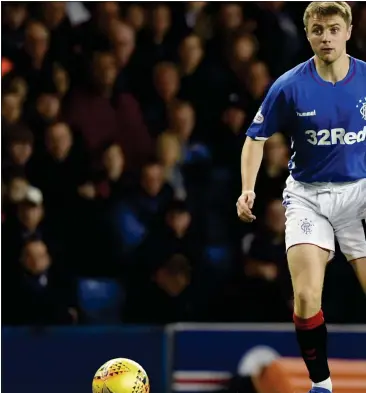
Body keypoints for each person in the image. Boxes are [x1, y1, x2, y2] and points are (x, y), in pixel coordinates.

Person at [236, 2, 366, 393]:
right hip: (308, 197)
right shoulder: (289, 86)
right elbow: (254, 138)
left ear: (348, 30)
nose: (325, 37)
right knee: (307, 296)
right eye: (317, 30)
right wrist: (248, 187)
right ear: (308, 34)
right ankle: (321, 384)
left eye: (333, 29)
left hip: (358, 195)